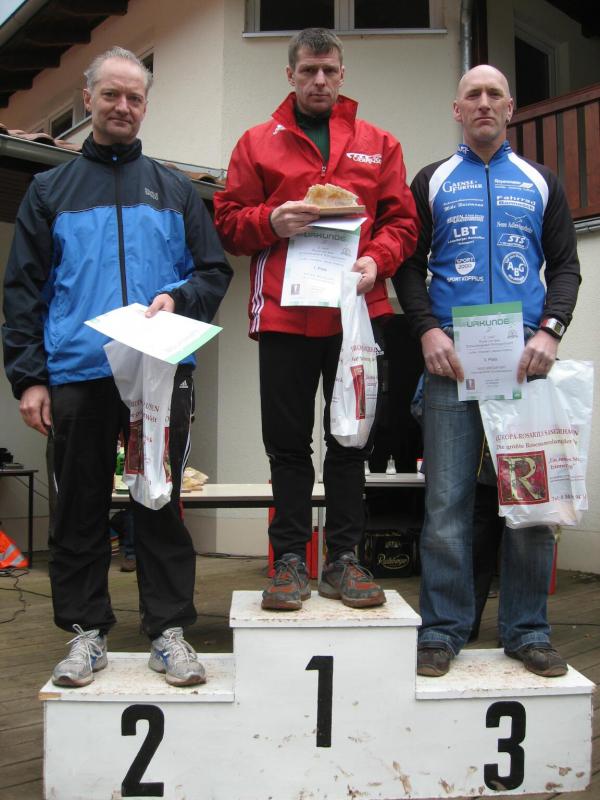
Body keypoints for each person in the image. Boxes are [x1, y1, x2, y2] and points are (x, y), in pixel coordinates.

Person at [2, 47, 232, 687]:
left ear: (145, 105)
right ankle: (86, 634)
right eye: (111, 95)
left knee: (159, 501)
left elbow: (213, 271)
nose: (122, 106)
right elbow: (23, 291)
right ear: (89, 99)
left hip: (158, 374)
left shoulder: (176, 190)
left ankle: (168, 631)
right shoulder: (49, 191)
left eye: (134, 97)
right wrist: (30, 377)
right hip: (77, 375)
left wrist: (179, 299)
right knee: (78, 506)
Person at [214, 28, 418, 611]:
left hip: (357, 313)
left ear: (342, 73)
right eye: (308, 70)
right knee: (287, 445)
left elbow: (402, 223)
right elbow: (227, 223)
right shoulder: (257, 142)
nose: (319, 80)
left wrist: (376, 261)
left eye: (329, 70)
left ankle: (344, 559)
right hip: (284, 313)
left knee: (350, 440)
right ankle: (288, 561)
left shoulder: (379, 143)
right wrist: (270, 221)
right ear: (291, 75)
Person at [394, 64, 580, 678]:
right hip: (451, 363)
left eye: (493, 94)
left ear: (510, 107)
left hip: (526, 366)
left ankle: (527, 631)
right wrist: (426, 330)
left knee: (529, 503)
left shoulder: (541, 181)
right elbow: (407, 267)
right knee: (445, 505)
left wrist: (551, 330)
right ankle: (442, 630)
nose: (482, 103)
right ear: (457, 109)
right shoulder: (432, 180)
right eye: (472, 94)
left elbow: (566, 267)